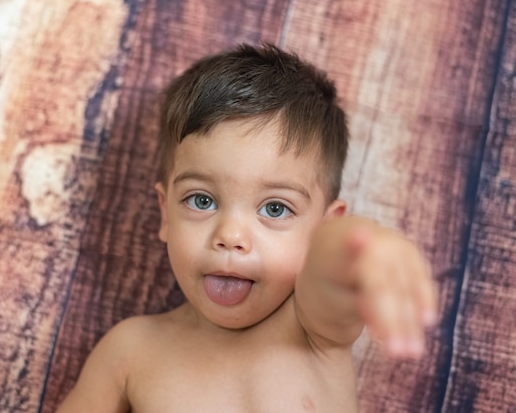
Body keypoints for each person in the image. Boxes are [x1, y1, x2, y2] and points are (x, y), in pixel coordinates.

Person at [56, 43, 437, 412]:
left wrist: (361, 250)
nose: (231, 237)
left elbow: (331, 270)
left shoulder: (312, 330)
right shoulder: (131, 350)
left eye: (275, 208)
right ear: (166, 214)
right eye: (202, 200)